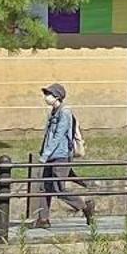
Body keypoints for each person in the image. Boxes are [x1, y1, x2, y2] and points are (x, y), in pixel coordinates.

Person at [33, 82, 95, 228]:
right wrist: (44, 152)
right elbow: (48, 136)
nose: (46, 97)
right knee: (44, 187)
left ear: (57, 97)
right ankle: (43, 220)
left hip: (61, 156)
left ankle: (84, 206)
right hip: (50, 156)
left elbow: (58, 136)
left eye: (48, 94)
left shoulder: (65, 113)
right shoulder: (53, 112)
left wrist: (44, 155)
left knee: (58, 189)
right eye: (46, 94)